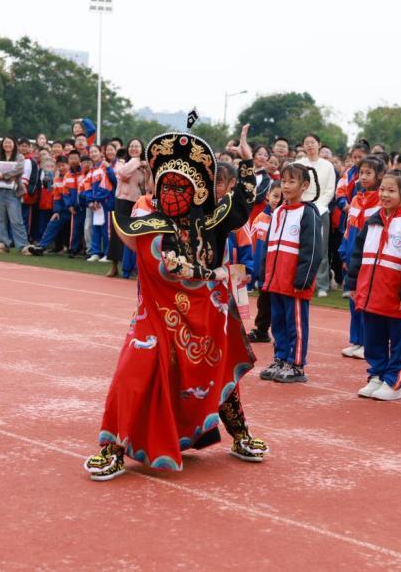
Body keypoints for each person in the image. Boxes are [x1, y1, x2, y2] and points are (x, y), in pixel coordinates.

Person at [86, 126, 267, 481]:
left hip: (208, 314)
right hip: (158, 315)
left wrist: (247, 163)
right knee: (134, 370)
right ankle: (113, 447)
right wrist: (205, 271)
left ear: (196, 190)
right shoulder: (149, 222)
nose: (170, 192)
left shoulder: (211, 219)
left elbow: (243, 202)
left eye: (179, 187)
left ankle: (240, 434)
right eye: (165, 185)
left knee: (219, 374)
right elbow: (162, 267)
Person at [344, 169, 401, 401]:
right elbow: (357, 255)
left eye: (391, 190)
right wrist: (353, 283)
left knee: (399, 339)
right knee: (373, 338)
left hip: (396, 296)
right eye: (382, 189)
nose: (385, 195)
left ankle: (394, 381)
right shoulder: (372, 221)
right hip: (372, 296)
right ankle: (377, 374)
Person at [255, 163, 323, 383]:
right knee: (279, 323)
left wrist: (303, 279)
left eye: (291, 181)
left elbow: (312, 250)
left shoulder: (308, 213)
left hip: (295, 284)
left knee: (295, 325)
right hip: (276, 282)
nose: (285, 186)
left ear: (304, 185)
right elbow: (268, 246)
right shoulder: (278, 212)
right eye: (283, 181)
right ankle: (281, 357)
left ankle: (296, 364)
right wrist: (265, 274)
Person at [337, 156, 382, 360]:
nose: (363, 177)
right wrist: (344, 252)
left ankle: (368, 342)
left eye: (368, 173)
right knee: (353, 299)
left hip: (369, 259)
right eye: (361, 173)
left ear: (379, 176)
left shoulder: (381, 201)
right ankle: (356, 340)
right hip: (352, 257)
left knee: (367, 301)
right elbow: (348, 229)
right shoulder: (355, 199)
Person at [296, 134, 337, 297]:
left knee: (321, 248)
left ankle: (322, 284)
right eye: (307, 143)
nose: (310, 146)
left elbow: (329, 191)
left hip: (321, 210)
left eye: (313, 143)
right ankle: (301, 279)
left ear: (319, 145)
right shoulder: (298, 164)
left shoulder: (327, 166)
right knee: (298, 246)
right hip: (300, 209)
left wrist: (318, 207)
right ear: (303, 147)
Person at [107, 139, 149, 277]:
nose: (134, 148)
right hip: (121, 200)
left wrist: (145, 167)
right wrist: (136, 161)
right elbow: (122, 174)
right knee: (116, 234)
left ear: (142, 149)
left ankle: (134, 268)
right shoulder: (122, 162)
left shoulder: (145, 165)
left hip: (137, 202)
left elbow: (147, 185)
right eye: (131, 146)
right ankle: (114, 266)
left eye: (137, 146)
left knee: (135, 234)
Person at [246, 180, 281, 344]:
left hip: (279, 271)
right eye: (275, 196)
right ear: (267, 196)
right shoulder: (260, 218)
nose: (277, 200)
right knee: (263, 302)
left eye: (280, 197)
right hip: (263, 271)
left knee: (280, 304)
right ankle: (261, 331)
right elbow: (251, 244)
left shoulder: (285, 218)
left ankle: (282, 335)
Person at [26, 156, 78, 256]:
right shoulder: (57, 179)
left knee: (76, 228)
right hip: (63, 210)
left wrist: (72, 206)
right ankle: (41, 246)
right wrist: (56, 211)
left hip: (75, 208)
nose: (61, 168)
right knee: (52, 223)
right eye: (59, 166)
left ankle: (74, 249)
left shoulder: (73, 176)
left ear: (68, 165)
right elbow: (57, 197)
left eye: (63, 165)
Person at [0, 137, 31, 254]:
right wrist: (2, 175)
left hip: (13, 192)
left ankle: (22, 245)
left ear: (14, 144)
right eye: (5, 142)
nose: (7, 145)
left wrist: (3, 175)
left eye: (10, 142)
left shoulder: (19, 157)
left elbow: (19, 170)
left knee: (16, 219)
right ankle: (4, 243)